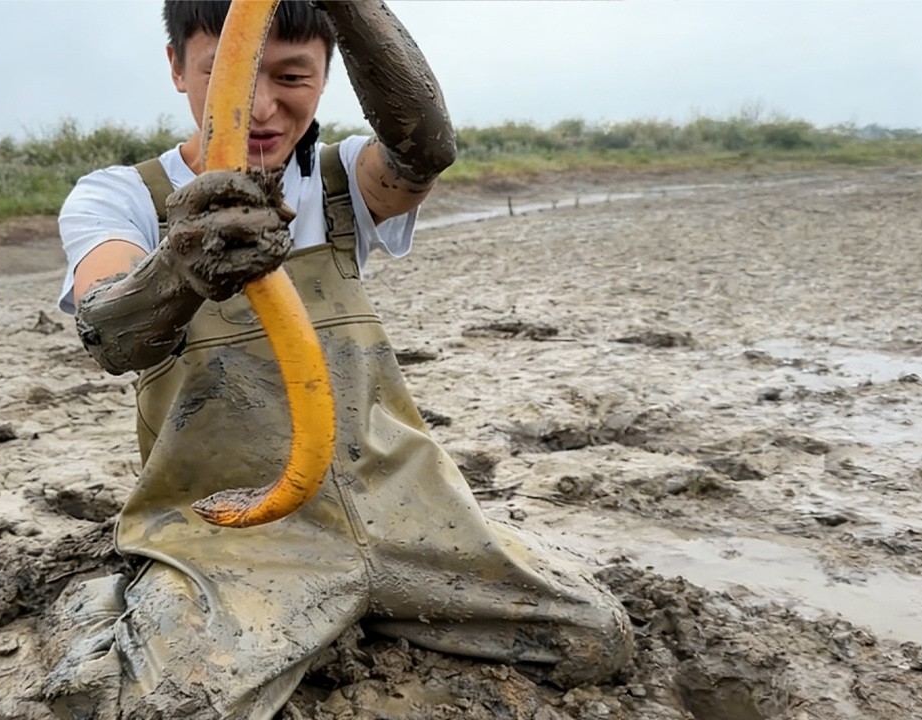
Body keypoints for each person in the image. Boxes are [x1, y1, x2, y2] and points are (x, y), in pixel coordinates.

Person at [44, 2, 634, 718]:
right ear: (177, 67)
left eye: (294, 76)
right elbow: (112, 333)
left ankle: (371, 595)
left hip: (401, 505)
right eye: (229, 74)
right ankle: (114, 594)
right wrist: (181, 268)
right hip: (238, 527)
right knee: (160, 708)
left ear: (330, 73)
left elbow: (426, 150)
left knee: (595, 637)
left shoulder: (343, 178)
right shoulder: (121, 196)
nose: (262, 107)